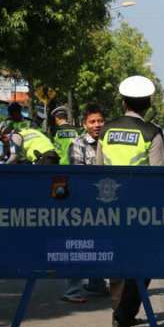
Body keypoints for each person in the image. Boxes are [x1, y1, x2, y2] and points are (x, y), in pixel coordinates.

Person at [96, 75, 164, 327]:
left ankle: (119, 311)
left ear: (123, 102)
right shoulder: (151, 132)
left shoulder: (107, 130)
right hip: (141, 209)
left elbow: (98, 170)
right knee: (145, 263)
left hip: (110, 206)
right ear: (148, 104)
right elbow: (159, 176)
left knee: (117, 260)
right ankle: (124, 312)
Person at [61, 103, 107, 303]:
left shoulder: (108, 142)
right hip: (83, 203)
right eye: (92, 121)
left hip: (103, 203)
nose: (97, 125)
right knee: (79, 247)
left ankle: (96, 285)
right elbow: (78, 175)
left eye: (100, 121)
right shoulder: (78, 144)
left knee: (98, 244)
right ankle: (72, 290)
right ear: (84, 123)